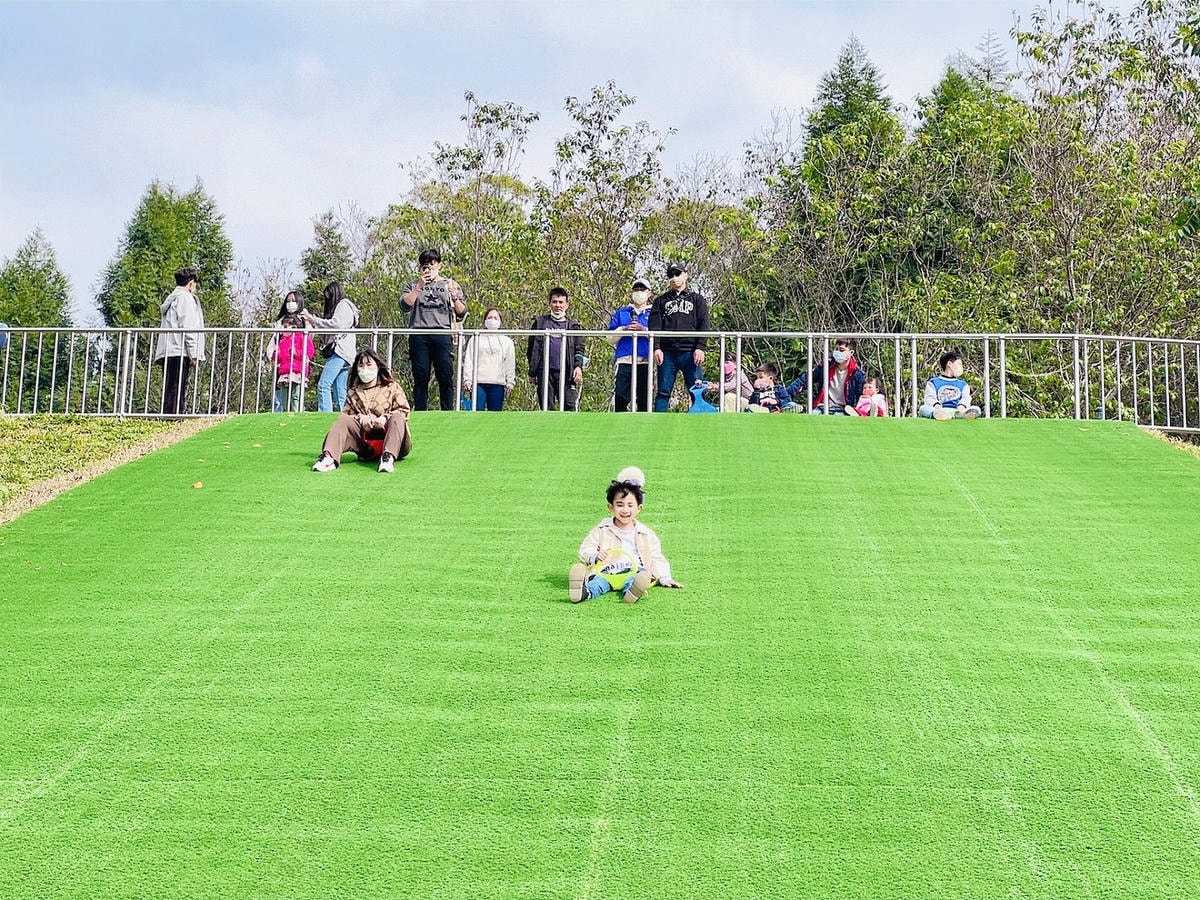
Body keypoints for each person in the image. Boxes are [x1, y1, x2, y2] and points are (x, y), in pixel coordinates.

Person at [568, 472, 682, 604]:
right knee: (598, 583)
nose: (625, 510)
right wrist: (595, 555)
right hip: (607, 570)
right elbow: (586, 548)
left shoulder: (646, 534)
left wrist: (664, 577)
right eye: (620, 504)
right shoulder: (602, 529)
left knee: (636, 578)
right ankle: (583, 592)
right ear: (611, 507)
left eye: (630, 505)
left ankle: (632, 592)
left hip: (635, 570)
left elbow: (656, 557)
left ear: (639, 508)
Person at [312, 349, 412, 473]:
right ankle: (328, 457)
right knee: (343, 419)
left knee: (397, 417)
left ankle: (388, 457)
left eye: (369, 365)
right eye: (361, 366)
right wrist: (361, 418)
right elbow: (348, 415)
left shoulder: (392, 387)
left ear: (378, 366)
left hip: (394, 440)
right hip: (365, 443)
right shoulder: (353, 392)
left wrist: (385, 418)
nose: (365, 369)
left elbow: (404, 410)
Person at [400, 248, 466, 411]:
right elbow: (404, 306)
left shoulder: (450, 284)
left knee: (445, 375)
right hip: (419, 334)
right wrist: (419, 287)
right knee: (420, 376)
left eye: (432, 263)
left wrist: (454, 297)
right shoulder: (412, 284)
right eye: (425, 265)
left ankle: (447, 412)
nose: (429, 267)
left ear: (439, 265)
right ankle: (420, 412)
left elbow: (462, 312)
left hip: (442, 333)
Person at [649, 261, 709, 412]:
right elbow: (654, 327)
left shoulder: (697, 299)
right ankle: (659, 423)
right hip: (667, 353)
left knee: (698, 392)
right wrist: (656, 348)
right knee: (663, 392)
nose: (674, 278)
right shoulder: (660, 301)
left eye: (677, 274)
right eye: (671, 275)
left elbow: (704, 324)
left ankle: (702, 422)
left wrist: (700, 347)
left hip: (691, 353)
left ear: (685, 275)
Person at [154, 266, 206, 416]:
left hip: (169, 349)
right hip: (179, 349)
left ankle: (169, 416)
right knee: (177, 388)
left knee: (170, 387)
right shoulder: (185, 298)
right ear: (191, 283)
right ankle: (174, 417)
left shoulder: (173, 298)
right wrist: (194, 353)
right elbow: (188, 326)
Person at [304, 281, 359, 413]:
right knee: (339, 389)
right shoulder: (347, 307)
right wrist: (315, 325)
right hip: (346, 353)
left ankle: (324, 414)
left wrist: (314, 320)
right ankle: (345, 416)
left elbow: (336, 324)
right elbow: (329, 334)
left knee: (324, 384)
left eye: (329, 296)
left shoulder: (343, 304)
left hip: (340, 351)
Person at [527, 287, 585, 411]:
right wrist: (532, 371)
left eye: (561, 302)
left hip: (567, 372)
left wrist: (578, 367)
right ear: (549, 304)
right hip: (544, 372)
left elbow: (579, 349)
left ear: (566, 305)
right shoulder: (539, 323)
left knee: (569, 408)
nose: (557, 305)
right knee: (547, 408)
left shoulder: (574, 326)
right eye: (554, 302)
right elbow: (531, 349)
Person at [784, 336, 864, 414]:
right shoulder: (825, 366)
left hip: (843, 410)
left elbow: (860, 397)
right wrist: (785, 396)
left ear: (851, 353)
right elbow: (805, 379)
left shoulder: (857, 374)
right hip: (821, 407)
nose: (837, 352)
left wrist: (857, 411)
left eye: (841, 350)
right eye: (836, 349)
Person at [607, 277, 653, 412]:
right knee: (620, 397)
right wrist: (624, 329)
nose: (639, 292)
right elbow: (609, 338)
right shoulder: (622, 312)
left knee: (644, 399)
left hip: (645, 361)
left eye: (642, 289)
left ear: (649, 293)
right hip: (625, 360)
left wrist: (643, 330)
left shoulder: (654, 314)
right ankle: (619, 423)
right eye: (636, 289)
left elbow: (660, 337)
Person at [462, 307, 516, 411]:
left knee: (495, 415)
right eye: (489, 317)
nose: (492, 320)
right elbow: (469, 359)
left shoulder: (507, 341)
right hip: (478, 383)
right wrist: (467, 379)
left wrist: (510, 381)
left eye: (495, 318)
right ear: (485, 320)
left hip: (498, 384)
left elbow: (510, 363)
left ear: (500, 321)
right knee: (477, 412)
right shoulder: (476, 338)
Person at [269, 314, 316, 412]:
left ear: (294, 327)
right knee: (285, 397)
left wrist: (296, 353)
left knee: (295, 395)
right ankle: (286, 413)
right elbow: (277, 359)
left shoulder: (302, 337)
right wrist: (276, 353)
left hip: (297, 371)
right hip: (285, 372)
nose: (283, 329)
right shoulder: (282, 342)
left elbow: (309, 352)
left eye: (285, 327)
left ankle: (296, 413)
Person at [920, 350, 981, 420]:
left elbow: (965, 399)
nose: (961, 367)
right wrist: (938, 408)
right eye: (959, 364)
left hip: (957, 411)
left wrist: (961, 407)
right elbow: (930, 398)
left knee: (976, 409)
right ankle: (937, 415)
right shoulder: (933, 382)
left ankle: (961, 415)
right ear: (949, 364)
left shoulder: (963, 384)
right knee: (923, 408)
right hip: (939, 410)